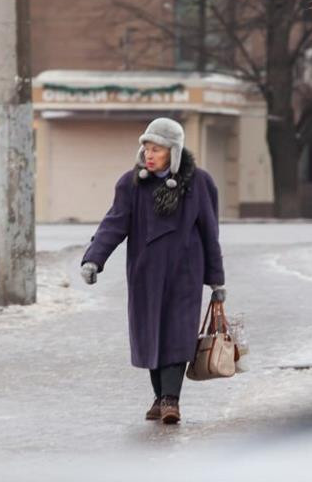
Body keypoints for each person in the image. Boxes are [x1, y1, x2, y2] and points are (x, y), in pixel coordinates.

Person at [80, 117, 225, 425]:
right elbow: (114, 224)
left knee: (177, 333)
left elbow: (210, 234)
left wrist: (216, 281)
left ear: (173, 151)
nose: (148, 154)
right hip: (144, 273)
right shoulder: (131, 184)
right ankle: (160, 397)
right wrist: (94, 259)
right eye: (146, 147)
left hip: (184, 273)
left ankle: (171, 400)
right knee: (150, 335)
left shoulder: (199, 183)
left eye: (156, 148)